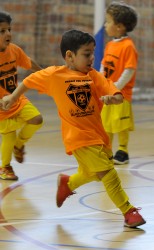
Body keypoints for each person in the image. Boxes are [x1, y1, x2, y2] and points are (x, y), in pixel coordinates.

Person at [1, 29, 145, 228]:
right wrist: (13, 97)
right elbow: (28, 81)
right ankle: (129, 211)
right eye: (87, 54)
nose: (92, 58)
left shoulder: (94, 76)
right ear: (69, 56)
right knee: (108, 173)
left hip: (98, 135)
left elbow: (116, 93)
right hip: (78, 137)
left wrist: (113, 99)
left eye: (93, 53)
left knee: (93, 173)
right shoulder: (54, 75)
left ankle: (68, 184)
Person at [0, 10, 43, 180]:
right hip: (2, 107)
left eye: (9, 29)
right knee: (8, 135)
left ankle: (19, 145)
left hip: (16, 98)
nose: (8, 34)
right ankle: (5, 167)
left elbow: (28, 62)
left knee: (37, 119)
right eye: (2, 31)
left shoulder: (14, 50)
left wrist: (44, 73)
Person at [100, 2, 138, 165]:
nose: (105, 25)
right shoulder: (109, 45)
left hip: (121, 94)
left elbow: (129, 70)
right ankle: (107, 150)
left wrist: (116, 88)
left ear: (120, 27)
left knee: (120, 124)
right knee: (106, 124)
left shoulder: (128, 46)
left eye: (108, 22)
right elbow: (103, 65)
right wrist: (101, 83)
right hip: (107, 92)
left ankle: (123, 151)